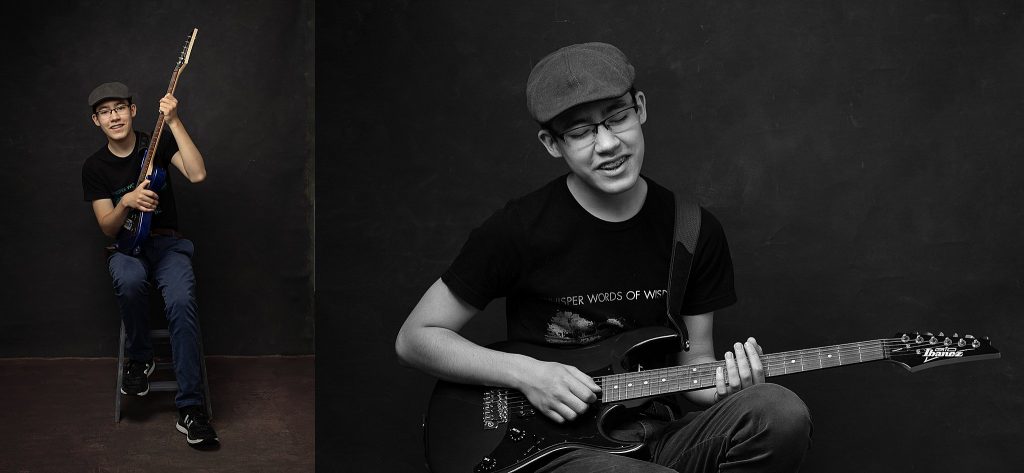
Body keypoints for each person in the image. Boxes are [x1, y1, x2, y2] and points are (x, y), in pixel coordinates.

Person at [396, 42, 811, 471]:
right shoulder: (519, 229)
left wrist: (729, 386)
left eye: (618, 117)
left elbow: (695, 370)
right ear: (552, 144)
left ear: (641, 108)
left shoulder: (692, 229)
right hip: (555, 448)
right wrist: (527, 374)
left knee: (778, 412)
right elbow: (416, 338)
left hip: (655, 435)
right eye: (580, 132)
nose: (609, 143)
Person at [81, 81, 218, 448]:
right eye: (105, 112)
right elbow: (107, 226)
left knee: (180, 300)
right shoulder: (94, 167)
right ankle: (140, 359)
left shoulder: (154, 143)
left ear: (133, 110)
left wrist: (173, 121)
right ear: (97, 121)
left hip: (167, 244)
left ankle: (191, 410)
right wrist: (126, 201)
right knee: (127, 279)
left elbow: (198, 174)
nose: (114, 117)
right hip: (126, 248)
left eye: (120, 108)